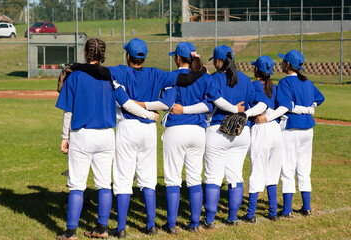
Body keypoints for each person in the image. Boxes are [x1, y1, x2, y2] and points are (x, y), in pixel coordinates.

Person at [69, 38, 207, 238]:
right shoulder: (156, 73)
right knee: (148, 178)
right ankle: (150, 224)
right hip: (149, 129)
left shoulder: (121, 71)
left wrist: (76, 66)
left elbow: (99, 71)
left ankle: (122, 227)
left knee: (123, 179)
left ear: (128, 55)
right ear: (144, 57)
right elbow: (185, 80)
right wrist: (202, 71)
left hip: (127, 127)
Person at [134, 42, 244, 234]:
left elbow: (165, 103)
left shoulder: (173, 77)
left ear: (178, 58)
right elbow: (210, 105)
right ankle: (194, 224)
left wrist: (142, 105)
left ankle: (171, 225)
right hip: (198, 131)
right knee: (194, 179)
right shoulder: (205, 78)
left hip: (176, 130)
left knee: (173, 179)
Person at [55, 38, 158, 240]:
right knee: (103, 184)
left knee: (77, 185)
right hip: (105, 136)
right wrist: (149, 115)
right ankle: (101, 229)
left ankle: (70, 233)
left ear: (86, 53)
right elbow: (127, 104)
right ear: (102, 55)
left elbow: (68, 112)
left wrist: (64, 137)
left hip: (82, 134)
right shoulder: (111, 78)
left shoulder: (75, 77)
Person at [172, 45, 269, 227]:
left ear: (218, 61)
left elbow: (213, 101)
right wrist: (246, 114)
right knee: (235, 176)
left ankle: (209, 220)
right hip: (242, 132)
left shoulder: (214, 79)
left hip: (218, 130)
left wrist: (233, 110)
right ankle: (232, 218)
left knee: (213, 177)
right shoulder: (246, 79)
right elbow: (263, 104)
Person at [255, 49, 325, 218]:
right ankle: (306, 207)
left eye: (283, 61)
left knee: (287, 168)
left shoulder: (286, 82)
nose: (281, 63)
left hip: (291, 128)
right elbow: (320, 98)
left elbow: (285, 105)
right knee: (304, 167)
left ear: (288, 65)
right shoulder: (307, 82)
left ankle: (287, 210)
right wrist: (308, 108)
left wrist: (297, 109)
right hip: (308, 129)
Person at [240, 55, 283, 223]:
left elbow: (255, 105)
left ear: (256, 69)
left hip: (261, 129)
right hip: (276, 129)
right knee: (272, 171)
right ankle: (273, 212)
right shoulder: (276, 87)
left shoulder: (252, 86)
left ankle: (250, 214)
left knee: (257, 170)